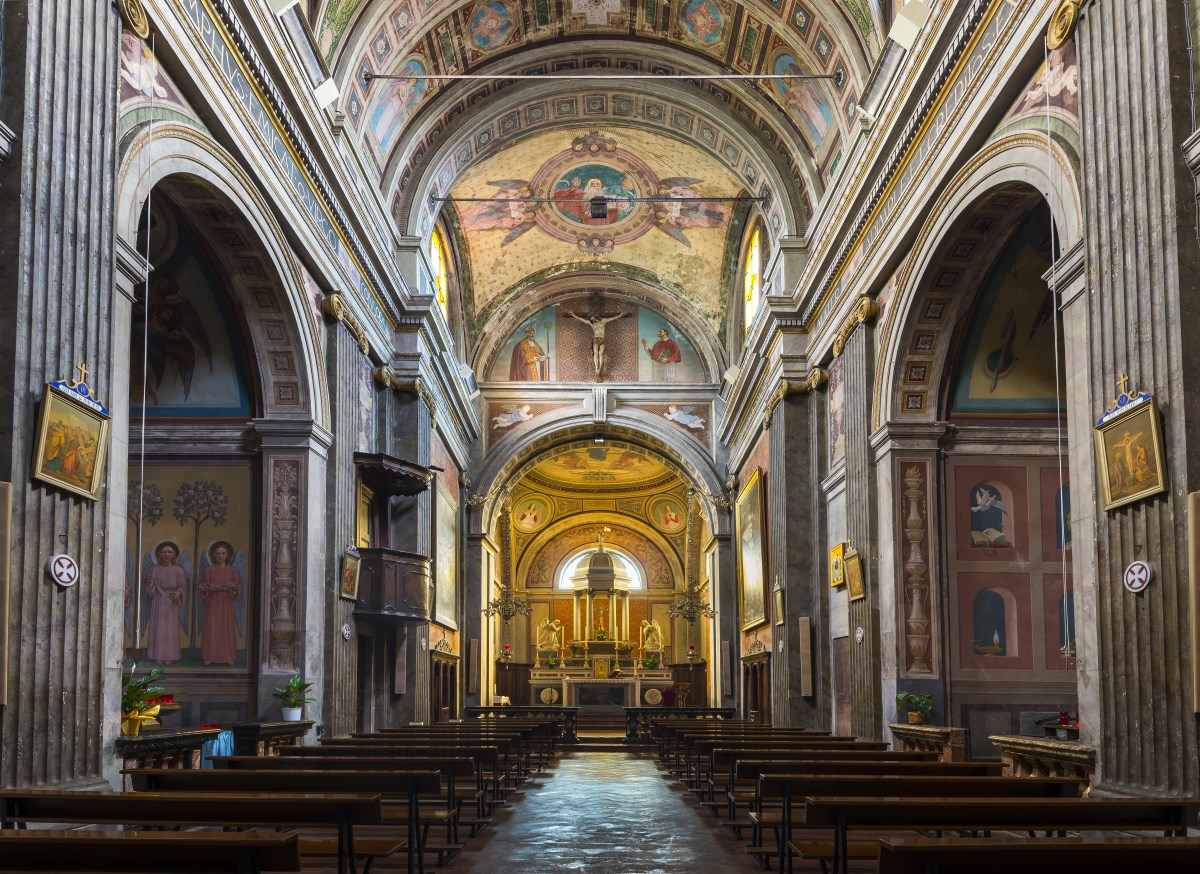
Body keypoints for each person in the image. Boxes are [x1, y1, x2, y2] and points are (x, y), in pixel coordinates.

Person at [199, 541, 242, 666]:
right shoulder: (209, 571)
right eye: (217, 553)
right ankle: (209, 656)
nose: (220, 556)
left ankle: (228, 656)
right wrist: (204, 588)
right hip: (213, 603)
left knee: (226, 628)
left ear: (227, 555)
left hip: (226, 603)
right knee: (212, 628)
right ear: (214, 555)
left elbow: (238, 587)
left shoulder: (232, 571)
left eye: (223, 553)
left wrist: (233, 586)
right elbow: (204, 587)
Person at [145, 541, 186, 664]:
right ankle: (158, 655)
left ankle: (170, 656)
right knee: (159, 627)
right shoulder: (155, 569)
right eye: (164, 552)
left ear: (174, 555)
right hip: (158, 601)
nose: (167, 554)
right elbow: (150, 590)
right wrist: (151, 582)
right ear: (159, 554)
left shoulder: (178, 570)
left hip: (172, 603)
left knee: (170, 629)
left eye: (169, 552)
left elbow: (182, 586)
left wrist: (178, 593)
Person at [565, 309, 626, 378]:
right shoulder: (592, 323)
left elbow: (612, 318)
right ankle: (597, 367)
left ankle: (599, 368)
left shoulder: (603, 321)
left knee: (601, 353)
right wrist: (573, 315)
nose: (591, 318)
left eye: (592, 317)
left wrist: (619, 315)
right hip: (595, 339)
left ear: (595, 317)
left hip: (602, 339)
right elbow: (581, 319)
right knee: (596, 353)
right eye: (590, 318)